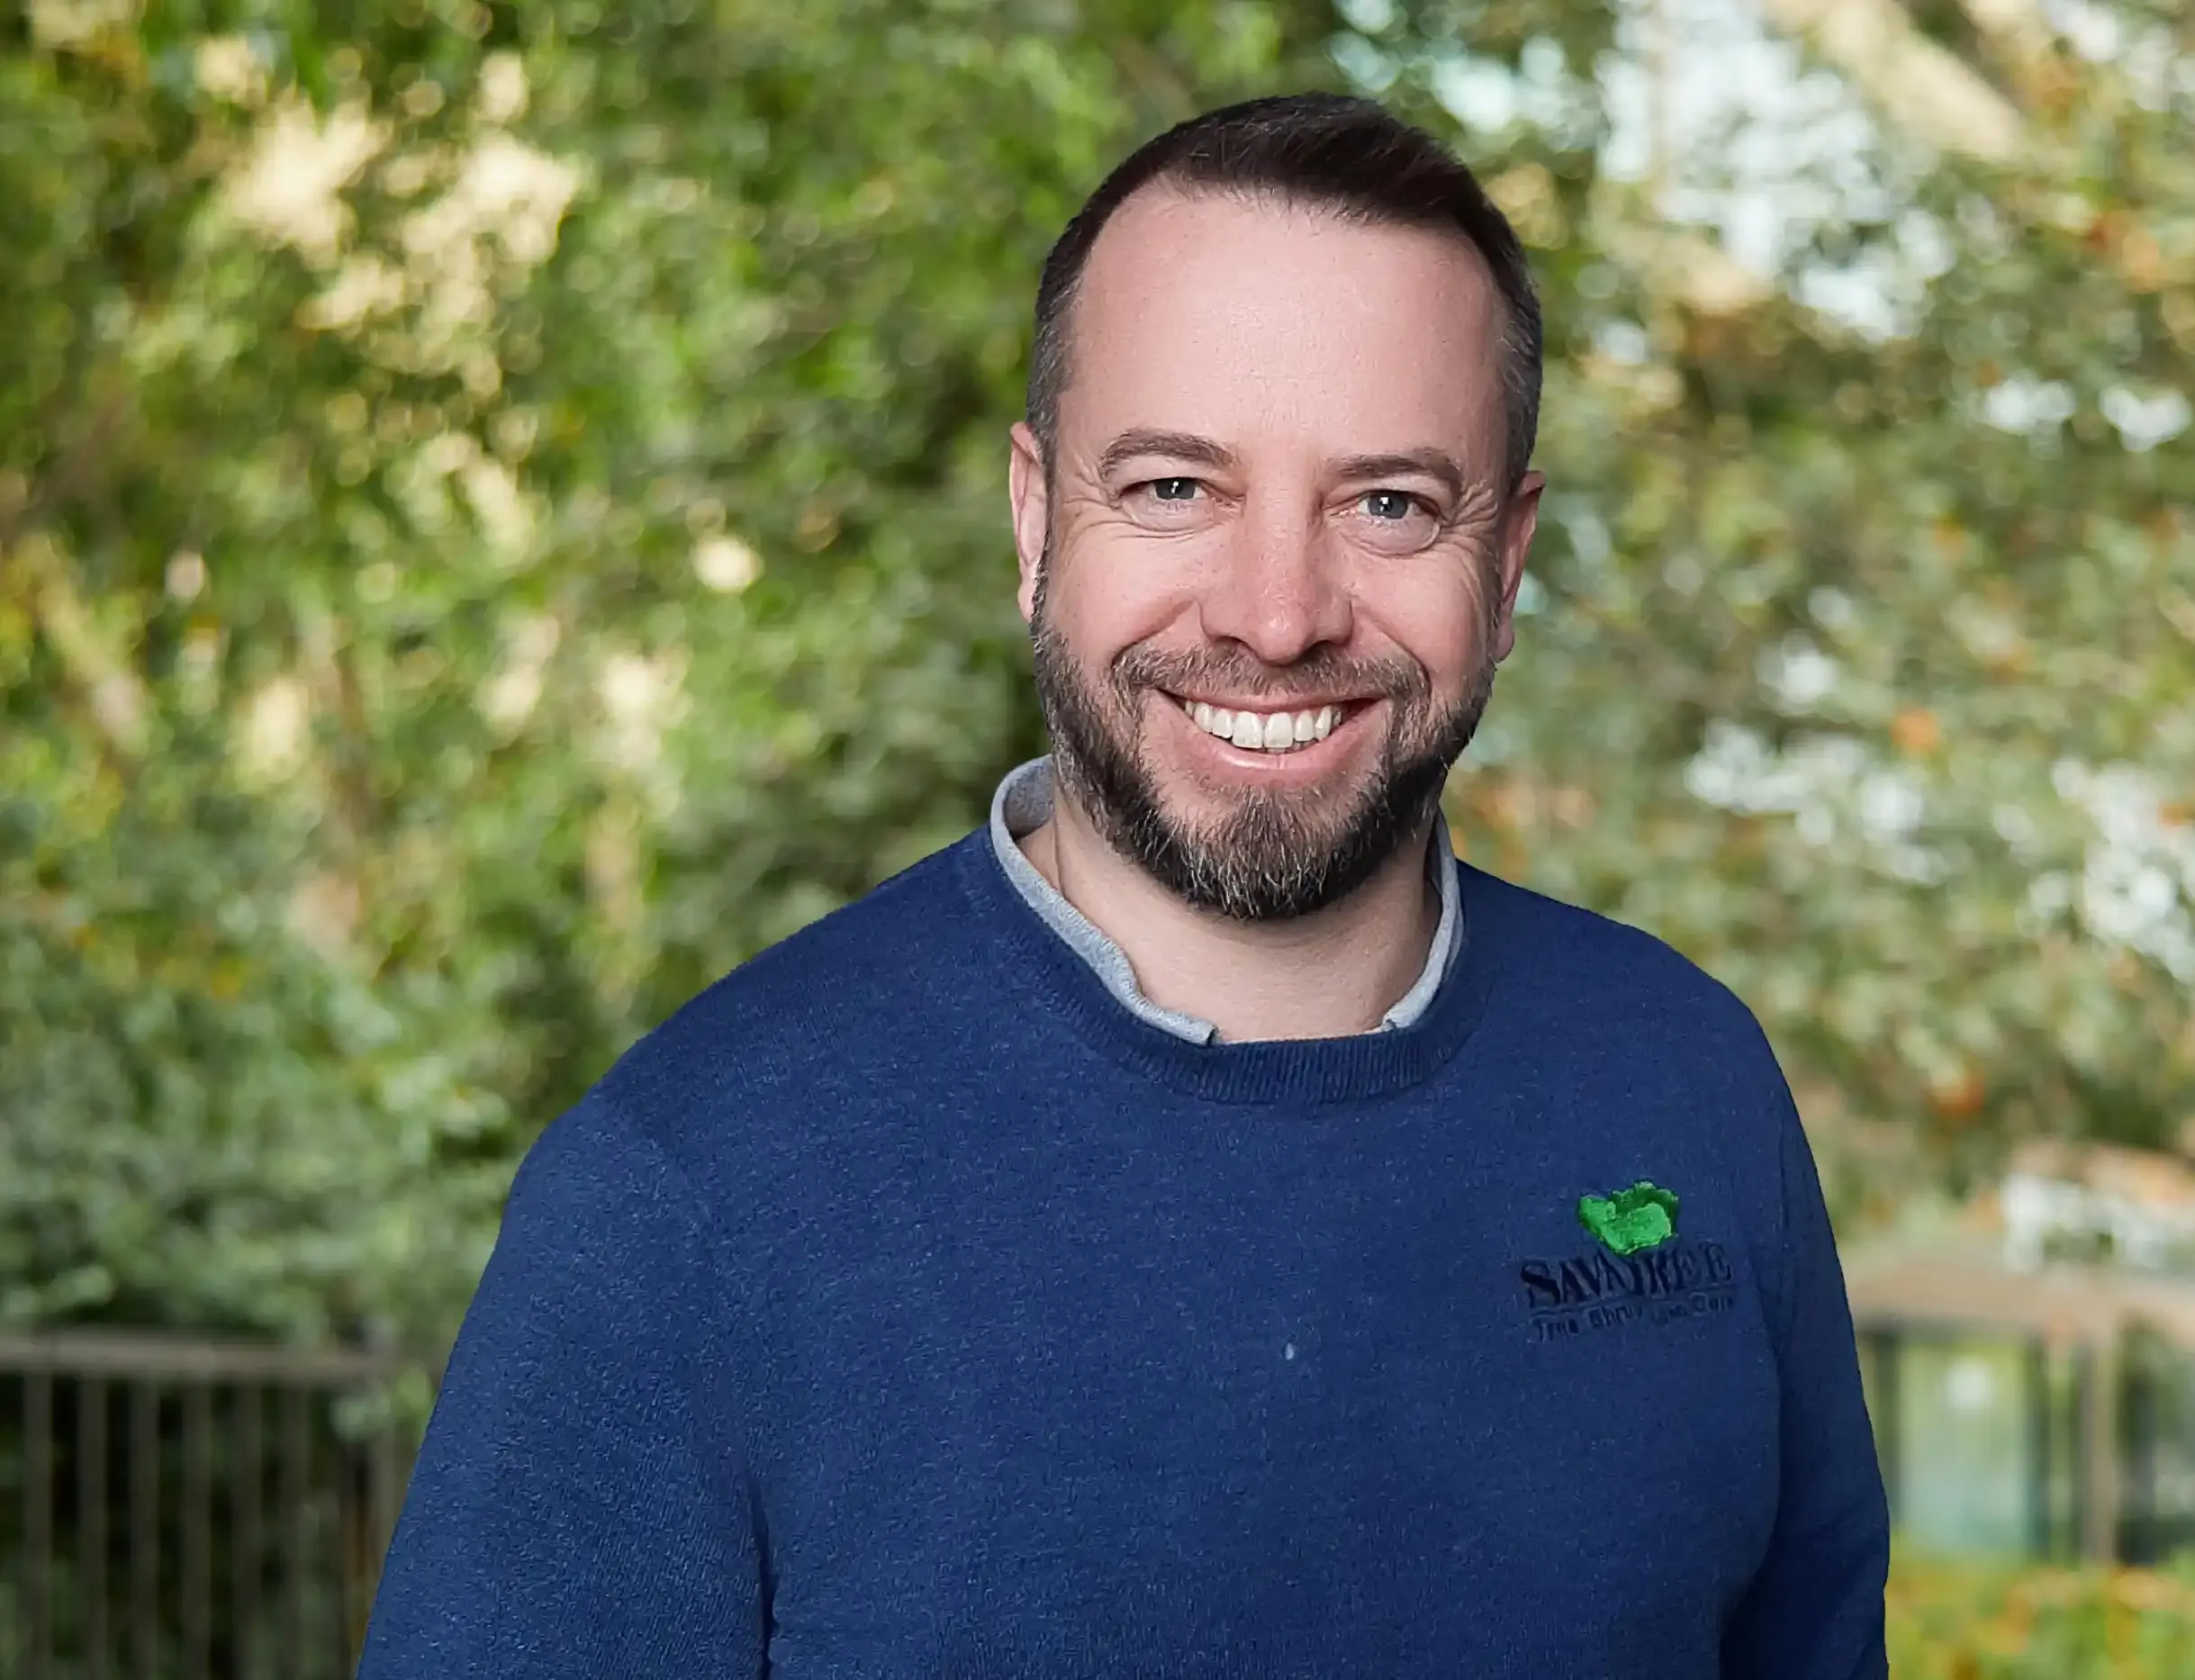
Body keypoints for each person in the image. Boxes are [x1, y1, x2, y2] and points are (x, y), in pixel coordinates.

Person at [359, 92, 1888, 1678]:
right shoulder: (684, 1199)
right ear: (1035, 519)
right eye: (1174, 487)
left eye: (1389, 504)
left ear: (1505, 568)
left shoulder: (1688, 1085)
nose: (1279, 612)